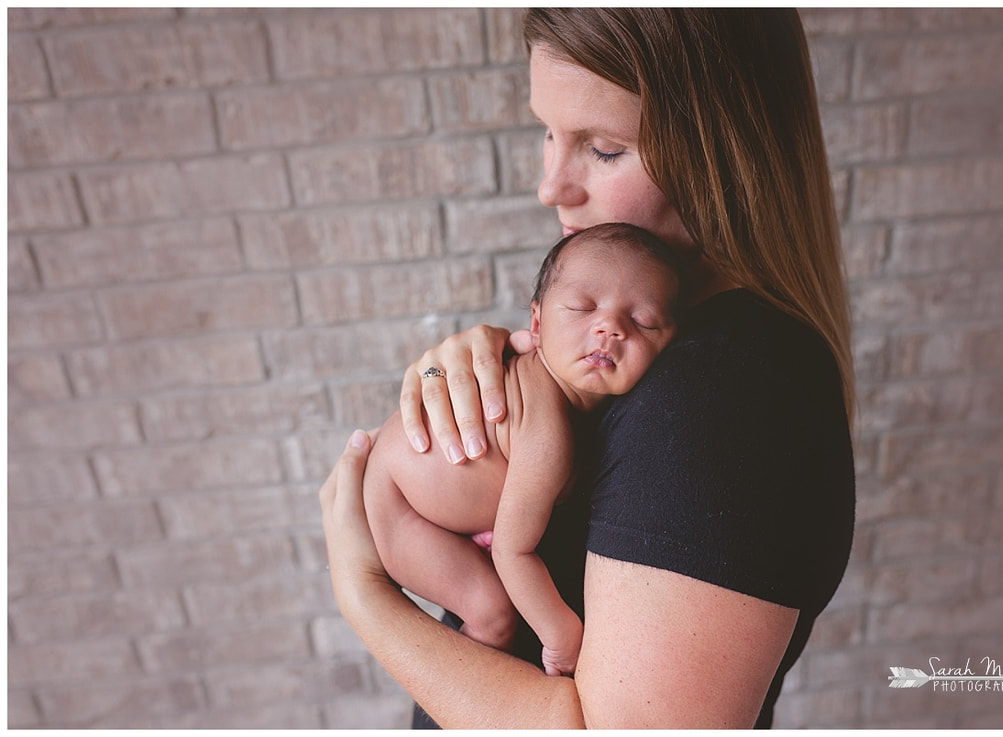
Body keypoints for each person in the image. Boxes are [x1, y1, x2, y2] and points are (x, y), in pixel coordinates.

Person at [320, 8, 855, 728]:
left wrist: (364, 595)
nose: (551, 185)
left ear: (725, 154)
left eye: (603, 148)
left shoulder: (729, 393)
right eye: (548, 131)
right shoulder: (661, 344)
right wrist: (496, 370)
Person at [363, 222, 681, 678]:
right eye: (581, 308)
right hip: (399, 502)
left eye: (644, 320)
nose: (609, 327)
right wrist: (562, 637)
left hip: (428, 491)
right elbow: (513, 552)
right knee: (492, 614)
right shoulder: (548, 429)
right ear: (535, 323)